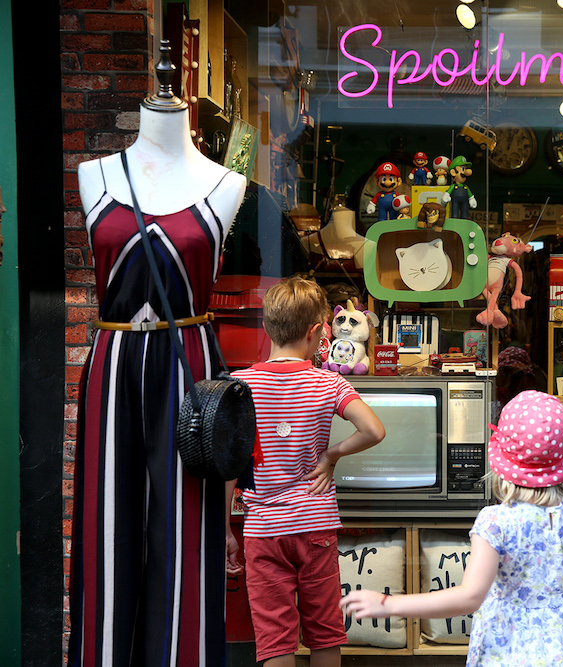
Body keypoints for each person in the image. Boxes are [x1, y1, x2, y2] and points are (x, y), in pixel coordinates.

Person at [70, 45, 247, 666]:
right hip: (113, 362)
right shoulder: (95, 177)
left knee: (185, 530)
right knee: (107, 530)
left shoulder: (226, 184)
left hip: (187, 365)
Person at [341, 390, 563, 667]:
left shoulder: (495, 521)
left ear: (502, 462)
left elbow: (468, 597)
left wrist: (388, 603)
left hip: (502, 650)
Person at [228, 276, 386, 667]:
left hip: (263, 530)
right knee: (324, 632)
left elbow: (228, 468)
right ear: (318, 332)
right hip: (315, 524)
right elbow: (373, 430)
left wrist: (223, 530)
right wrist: (331, 455)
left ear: (267, 327)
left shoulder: (238, 386)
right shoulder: (329, 381)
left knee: (276, 640)